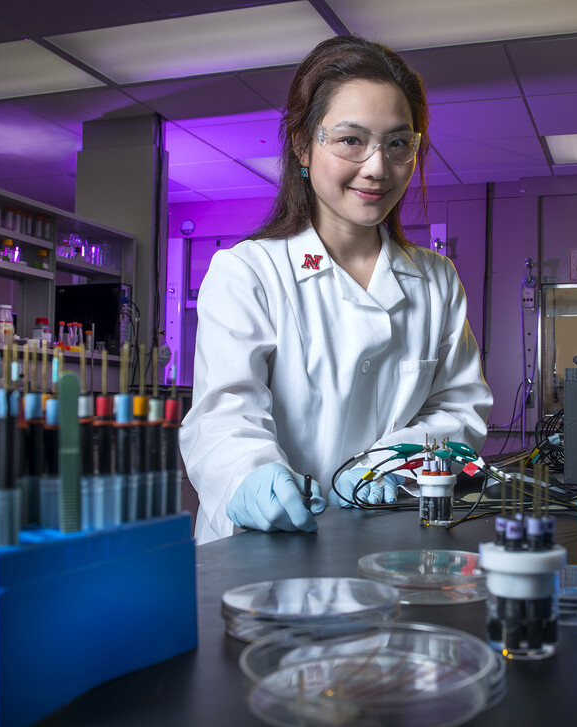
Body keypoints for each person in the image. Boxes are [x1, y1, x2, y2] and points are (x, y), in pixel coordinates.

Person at [179, 36, 493, 544]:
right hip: (260, 553)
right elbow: (223, 415)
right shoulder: (248, 272)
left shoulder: (436, 280)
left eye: (397, 143)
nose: (377, 167)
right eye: (351, 140)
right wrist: (249, 475)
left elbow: (460, 409)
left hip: (389, 545)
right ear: (304, 145)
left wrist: (394, 460)